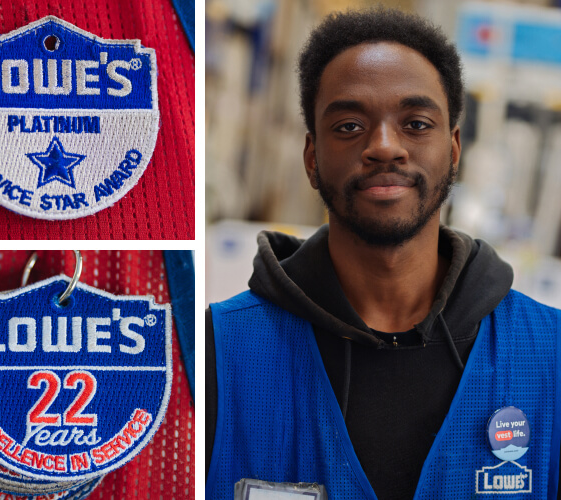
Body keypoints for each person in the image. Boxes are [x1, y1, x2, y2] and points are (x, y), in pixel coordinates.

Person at [208, 8, 561, 499]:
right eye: (350, 126)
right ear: (312, 159)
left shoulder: (550, 356)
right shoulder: (216, 353)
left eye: (416, 123)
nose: (385, 146)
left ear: (454, 150)